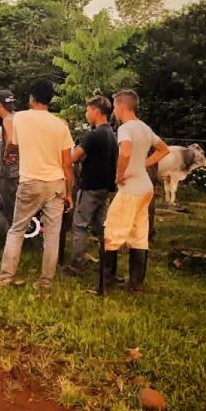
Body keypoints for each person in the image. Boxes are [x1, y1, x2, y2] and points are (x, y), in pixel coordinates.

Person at [0, 79, 74, 290]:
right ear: (50, 100)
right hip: (56, 183)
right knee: (52, 235)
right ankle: (45, 281)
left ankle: (5, 277)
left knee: (17, 229)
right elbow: (67, 164)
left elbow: (13, 144)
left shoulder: (20, 118)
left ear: (32, 98)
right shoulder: (61, 125)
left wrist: (9, 155)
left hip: (30, 181)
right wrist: (69, 192)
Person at [99, 90, 169, 292]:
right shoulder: (145, 128)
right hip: (145, 187)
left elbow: (126, 151)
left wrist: (120, 173)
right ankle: (136, 284)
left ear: (121, 106)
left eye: (114, 107)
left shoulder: (125, 129)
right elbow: (164, 149)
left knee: (111, 231)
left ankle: (106, 282)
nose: (114, 112)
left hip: (130, 189)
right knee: (139, 234)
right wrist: (142, 164)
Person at [64, 96, 118, 275]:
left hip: (90, 186)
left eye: (87, 110)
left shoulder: (93, 135)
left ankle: (75, 266)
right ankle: (107, 264)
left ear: (96, 111)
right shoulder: (111, 134)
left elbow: (73, 157)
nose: (86, 114)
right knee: (100, 227)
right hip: (105, 187)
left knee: (79, 225)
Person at [0, 90, 18, 234]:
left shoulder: (7, 120)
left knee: (3, 210)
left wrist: (6, 152)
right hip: (18, 171)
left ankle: (11, 241)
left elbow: (12, 140)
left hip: (9, 174)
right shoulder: (17, 117)